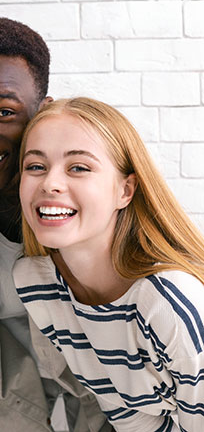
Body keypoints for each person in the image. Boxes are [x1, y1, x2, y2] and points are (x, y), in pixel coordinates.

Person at [0, 18, 109, 431]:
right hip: (6, 389)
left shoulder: (80, 206)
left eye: (5, 112)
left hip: (107, 386)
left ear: (42, 111)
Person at [14, 97, 204, 432]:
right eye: (35, 166)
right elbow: (134, 421)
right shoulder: (38, 284)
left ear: (125, 190)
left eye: (78, 168)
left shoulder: (168, 302)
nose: (50, 183)